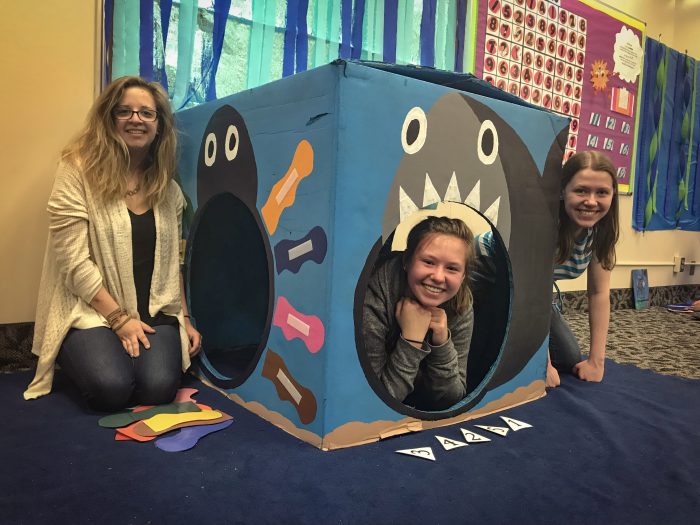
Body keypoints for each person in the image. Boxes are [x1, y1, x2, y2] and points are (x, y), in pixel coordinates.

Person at [24, 76, 202, 411]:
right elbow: (72, 263)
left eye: (147, 114)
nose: (136, 119)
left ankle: (126, 354)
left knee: (157, 389)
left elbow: (172, 263)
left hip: (153, 309)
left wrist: (186, 319)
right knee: (112, 389)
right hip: (88, 309)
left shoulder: (169, 189)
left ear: (160, 126)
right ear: (109, 119)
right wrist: (119, 320)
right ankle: (88, 351)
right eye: (125, 111)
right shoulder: (76, 169)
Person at [477, 151, 619, 388]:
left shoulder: (600, 232)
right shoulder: (543, 225)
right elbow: (528, 292)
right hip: (483, 276)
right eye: (581, 190)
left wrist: (597, 362)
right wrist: (541, 364)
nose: (591, 201)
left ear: (613, 195)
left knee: (569, 358)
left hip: (529, 293)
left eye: (602, 192)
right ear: (562, 191)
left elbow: (599, 293)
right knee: (492, 354)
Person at [362, 216, 475, 411]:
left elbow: (452, 399)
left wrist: (442, 343)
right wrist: (412, 340)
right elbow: (376, 401)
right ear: (407, 261)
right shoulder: (377, 293)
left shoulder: (461, 303)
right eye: (429, 262)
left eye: (452, 268)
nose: (439, 277)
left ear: (463, 275)